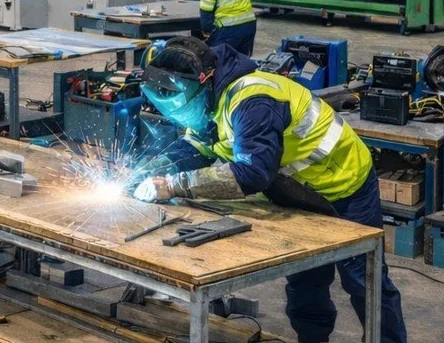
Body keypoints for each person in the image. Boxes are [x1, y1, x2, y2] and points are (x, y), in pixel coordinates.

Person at [133, 37, 407, 343]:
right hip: (297, 195)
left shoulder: (253, 101)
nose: (179, 111)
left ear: (206, 80)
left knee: (364, 280)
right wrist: (152, 169)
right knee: (306, 277)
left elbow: (252, 173)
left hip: (344, 184)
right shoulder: (211, 101)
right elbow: (198, 145)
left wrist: (173, 185)